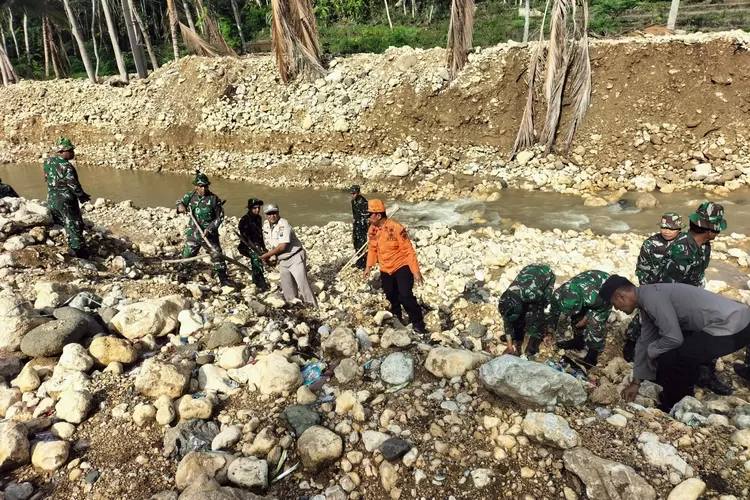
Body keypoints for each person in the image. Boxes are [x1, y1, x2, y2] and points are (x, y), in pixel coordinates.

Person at [601, 275, 750, 412]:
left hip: (736, 325)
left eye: (614, 304)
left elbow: (673, 338)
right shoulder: (646, 299)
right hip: (736, 318)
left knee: (673, 357)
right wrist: (636, 382)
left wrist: (651, 353)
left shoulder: (652, 298)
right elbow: (644, 340)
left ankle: (676, 405)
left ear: (621, 296)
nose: (616, 309)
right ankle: (698, 375)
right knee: (665, 353)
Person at [658, 201, 731, 396]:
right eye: (717, 228)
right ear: (709, 230)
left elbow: (697, 276)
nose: (718, 233)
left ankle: (705, 374)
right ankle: (679, 385)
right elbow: (668, 289)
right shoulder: (681, 251)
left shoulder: (704, 246)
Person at [622, 212, 684, 361]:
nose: (667, 231)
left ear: (680, 229)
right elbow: (642, 268)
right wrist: (647, 291)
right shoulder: (651, 244)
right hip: (653, 287)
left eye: (671, 228)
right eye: (664, 227)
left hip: (675, 290)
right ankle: (631, 341)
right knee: (644, 316)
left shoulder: (685, 244)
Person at [363, 200, 426, 334]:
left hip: (401, 266)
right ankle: (397, 319)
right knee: (391, 296)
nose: (368, 217)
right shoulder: (372, 230)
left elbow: (408, 250)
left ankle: (418, 323)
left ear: (378, 216)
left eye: (370, 215)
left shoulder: (397, 228)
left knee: (406, 296)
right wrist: (368, 266)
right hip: (385, 268)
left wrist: (415, 271)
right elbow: (372, 249)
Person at [176, 172, 232, 287]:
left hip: (209, 235)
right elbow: (180, 202)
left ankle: (223, 279)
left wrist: (210, 228)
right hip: (194, 232)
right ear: (196, 186)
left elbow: (220, 216)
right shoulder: (190, 196)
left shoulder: (214, 199)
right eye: (201, 186)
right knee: (187, 255)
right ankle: (182, 278)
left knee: (216, 255)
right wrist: (180, 207)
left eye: (206, 186)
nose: (203, 188)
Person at [259, 203, 317, 307]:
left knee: (302, 284)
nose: (272, 216)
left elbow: (282, 247)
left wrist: (265, 256)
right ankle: (293, 305)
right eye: (269, 214)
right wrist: (273, 256)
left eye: (274, 213)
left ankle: (312, 306)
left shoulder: (284, 225)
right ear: (265, 215)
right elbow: (273, 244)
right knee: (287, 286)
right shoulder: (266, 226)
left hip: (295, 257)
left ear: (278, 212)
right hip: (283, 260)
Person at [550, 270, 611, 367]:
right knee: (576, 316)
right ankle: (578, 341)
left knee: (596, 323)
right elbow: (553, 313)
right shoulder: (557, 295)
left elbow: (599, 309)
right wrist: (550, 331)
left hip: (605, 286)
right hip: (584, 287)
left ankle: (592, 356)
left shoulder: (593, 297)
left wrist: (585, 319)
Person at [43, 138, 91, 258]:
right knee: (74, 224)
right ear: (62, 152)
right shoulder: (67, 167)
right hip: (66, 201)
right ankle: (79, 252)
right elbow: (73, 185)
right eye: (70, 150)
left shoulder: (48, 162)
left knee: (63, 222)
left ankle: (66, 244)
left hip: (51, 198)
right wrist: (82, 196)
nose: (73, 153)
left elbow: (46, 178)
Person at [498, 264, 556, 359]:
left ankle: (535, 338)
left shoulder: (533, 293)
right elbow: (507, 319)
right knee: (518, 314)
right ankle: (518, 333)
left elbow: (540, 310)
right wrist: (509, 345)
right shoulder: (506, 297)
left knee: (537, 311)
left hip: (546, 275)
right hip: (528, 272)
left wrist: (549, 331)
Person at [237, 198, 269, 291]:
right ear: (250, 208)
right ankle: (262, 284)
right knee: (256, 259)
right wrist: (256, 250)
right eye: (255, 208)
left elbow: (260, 234)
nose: (258, 210)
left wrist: (263, 247)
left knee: (260, 257)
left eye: (259, 208)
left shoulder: (258, 218)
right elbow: (245, 238)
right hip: (245, 246)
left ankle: (256, 281)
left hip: (256, 245)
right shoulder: (244, 220)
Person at [350, 185, 369, 269]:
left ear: (358, 193)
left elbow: (367, 216)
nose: (352, 195)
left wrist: (369, 229)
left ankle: (364, 261)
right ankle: (359, 259)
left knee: (362, 243)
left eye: (354, 193)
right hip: (357, 225)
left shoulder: (363, 202)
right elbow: (354, 214)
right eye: (351, 193)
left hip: (363, 226)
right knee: (356, 242)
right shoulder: (353, 202)